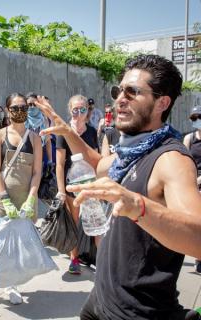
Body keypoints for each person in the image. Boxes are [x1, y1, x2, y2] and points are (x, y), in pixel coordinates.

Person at [37, 54, 201, 320]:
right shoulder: (132, 150)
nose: (120, 98)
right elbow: (98, 163)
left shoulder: (171, 160)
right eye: (119, 90)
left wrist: (138, 205)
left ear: (162, 102)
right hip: (101, 299)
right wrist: (68, 132)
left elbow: (198, 239)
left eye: (133, 92)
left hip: (135, 312)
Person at [0, 92, 42, 310]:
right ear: (7, 110)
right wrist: (4, 198)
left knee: (15, 247)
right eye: (14, 107)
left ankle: (11, 284)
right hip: (1, 199)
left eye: (23, 106)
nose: (19, 111)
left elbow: (37, 172)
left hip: (24, 199)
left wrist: (31, 198)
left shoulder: (34, 138)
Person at [56, 94, 98, 274]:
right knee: (73, 221)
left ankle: (100, 259)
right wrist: (61, 190)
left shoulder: (91, 131)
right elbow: (59, 163)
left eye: (83, 109)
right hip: (70, 184)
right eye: (75, 110)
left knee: (94, 221)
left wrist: (96, 185)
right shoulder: (63, 131)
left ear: (87, 111)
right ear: (69, 110)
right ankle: (74, 258)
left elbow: (96, 159)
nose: (79, 113)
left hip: (88, 183)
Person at [183, 105, 201, 274]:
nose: (197, 121)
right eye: (194, 118)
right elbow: (184, 161)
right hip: (192, 182)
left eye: (199, 117)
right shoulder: (189, 138)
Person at [25, 92, 54, 175]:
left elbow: (47, 140)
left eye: (35, 104)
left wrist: (50, 160)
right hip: (24, 156)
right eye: (29, 104)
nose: (32, 107)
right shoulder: (22, 119)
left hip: (39, 156)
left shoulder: (44, 120)